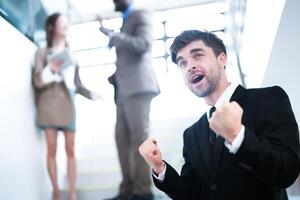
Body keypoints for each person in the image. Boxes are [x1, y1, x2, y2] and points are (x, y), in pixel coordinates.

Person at [139, 30, 300, 200]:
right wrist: (159, 167)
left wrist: (238, 137)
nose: (190, 67)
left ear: (221, 59)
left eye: (198, 56)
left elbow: (286, 172)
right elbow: (192, 195)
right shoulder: (192, 134)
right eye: (182, 63)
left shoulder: (267, 99)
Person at [32, 12, 100, 200]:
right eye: (62, 22)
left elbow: (77, 84)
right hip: (49, 104)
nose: (66, 25)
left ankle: (72, 195)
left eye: (66, 22)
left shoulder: (72, 54)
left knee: (70, 149)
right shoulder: (42, 52)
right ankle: (56, 192)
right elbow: (37, 81)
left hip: (68, 104)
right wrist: (51, 67)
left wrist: (92, 94)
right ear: (52, 27)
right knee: (52, 149)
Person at [98, 0, 160, 200]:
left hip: (138, 87)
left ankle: (143, 192)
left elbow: (143, 45)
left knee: (139, 140)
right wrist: (110, 32)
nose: (113, 1)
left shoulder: (141, 14)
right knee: (122, 140)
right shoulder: (126, 20)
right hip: (123, 90)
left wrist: (115, 35)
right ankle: (127, 189)